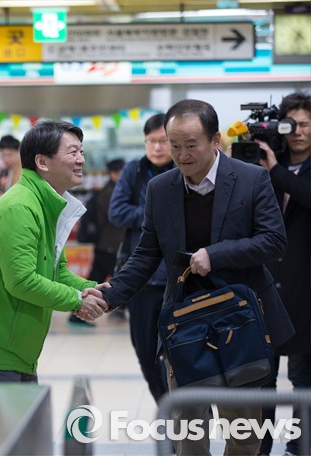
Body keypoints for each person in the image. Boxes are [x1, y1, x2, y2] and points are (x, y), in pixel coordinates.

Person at [97, 99, 293, 455]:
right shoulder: (160, 188)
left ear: (215, 140)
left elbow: (273, 240)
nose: (181, 155)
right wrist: (110, 295)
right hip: (185, 323)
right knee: (187, 431)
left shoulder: (251, 179)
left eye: (191, 145)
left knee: (244, 432)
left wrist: (215, 256)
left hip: (240, 321)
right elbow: (147, 253)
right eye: (174, 145)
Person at [0, 120, 109, 383]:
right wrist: (77, 301)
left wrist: (94, 290)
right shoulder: (19, 208)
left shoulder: (44, 205)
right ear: (42, 162)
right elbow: (22, 281)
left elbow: (57, 272)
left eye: (81, 152)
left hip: (16, 347)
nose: (81, 160)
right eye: (72, 152)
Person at [256, 91, 311, 456]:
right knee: (261, 379)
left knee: (304, 378)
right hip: (266, 287)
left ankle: (301, 445)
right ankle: (259, 446)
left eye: (305, 124)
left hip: (306, 288)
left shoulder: (275, 169)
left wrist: (276, 171)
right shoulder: (261, 167)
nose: (298, 132)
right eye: (291, 125)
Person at [106, 113, 175, 403]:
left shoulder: (185, 168)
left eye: (163, 141)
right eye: (151, 141)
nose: (157, 147)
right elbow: (116, 212)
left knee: (182, 353)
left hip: (179, 280)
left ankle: (186, 415)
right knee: (146, 354)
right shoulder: (134, 171)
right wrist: (156, 214)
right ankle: (166, 406)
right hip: (142, 279)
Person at [68, 158, 125, 327]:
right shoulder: (110, 193)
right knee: (114, 278)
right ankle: (117, 310)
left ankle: (78, 313)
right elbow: (116, 219)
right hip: (109, 245)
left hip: (107, 244)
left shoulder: (110, 191)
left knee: (99, 278)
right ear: (114, 174)